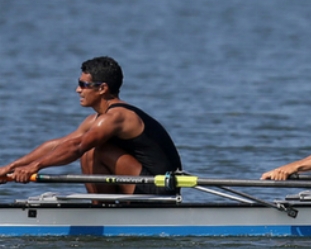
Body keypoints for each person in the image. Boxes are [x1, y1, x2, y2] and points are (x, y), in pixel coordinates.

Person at [0, 56, 182, 195]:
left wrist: (35, 167)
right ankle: (100, 207)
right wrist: (10, 168)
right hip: (140, 182)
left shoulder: (117, 117)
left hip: (160, 189)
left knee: (92, 149)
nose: (78, 90)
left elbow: (77, 147)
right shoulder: (96, 120)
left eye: (83, 85)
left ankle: (100, 210)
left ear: (102, 88)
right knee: (85, 145)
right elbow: (59, 144)